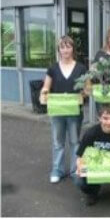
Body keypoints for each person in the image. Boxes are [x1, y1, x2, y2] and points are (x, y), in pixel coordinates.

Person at [40, 36, 87, 183]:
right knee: (58, 142)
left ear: (73, 49)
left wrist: (83, 94)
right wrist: (44, 95)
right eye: (62, 47)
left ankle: (74, 170)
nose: (65, 50)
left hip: (74, 111)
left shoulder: (81, 68)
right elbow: (46, 87)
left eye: (68, 47)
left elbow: (87, 89)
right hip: (58, 111)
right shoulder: (53, 68)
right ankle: (57, 170)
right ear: (59, 50)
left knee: (74, 141)